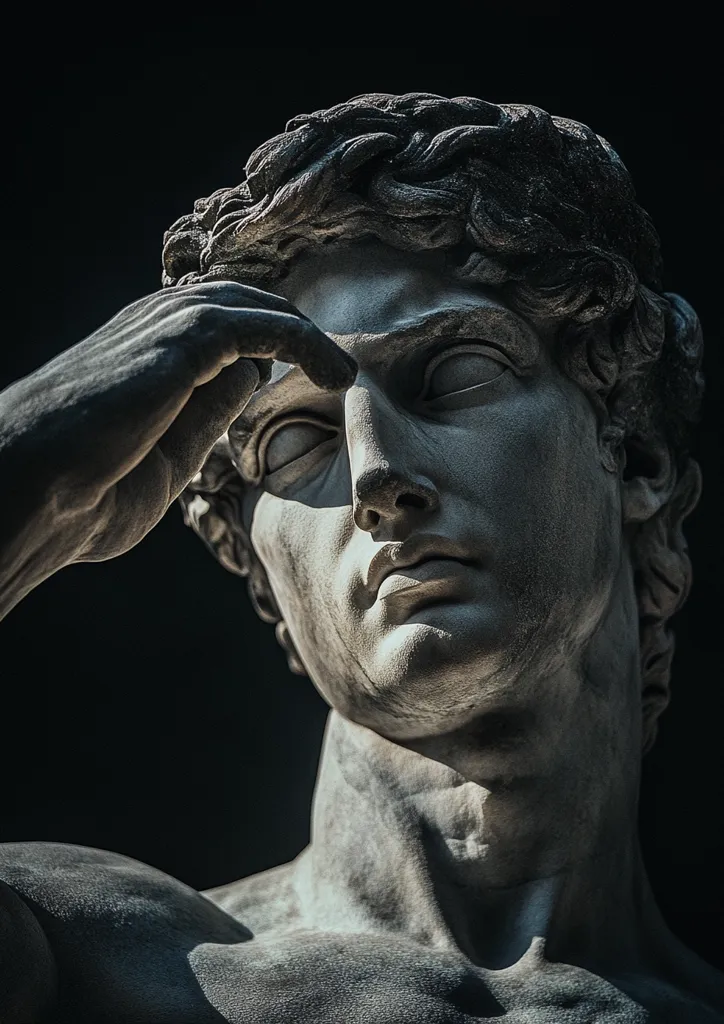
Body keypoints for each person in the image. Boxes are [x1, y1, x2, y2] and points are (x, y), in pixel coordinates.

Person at [1, 93, 722, 1022]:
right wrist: (26, 461)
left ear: (638, 455)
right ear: (260, 570)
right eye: (296, 439)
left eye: (455, 374)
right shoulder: (94, 967)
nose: (377, 475)